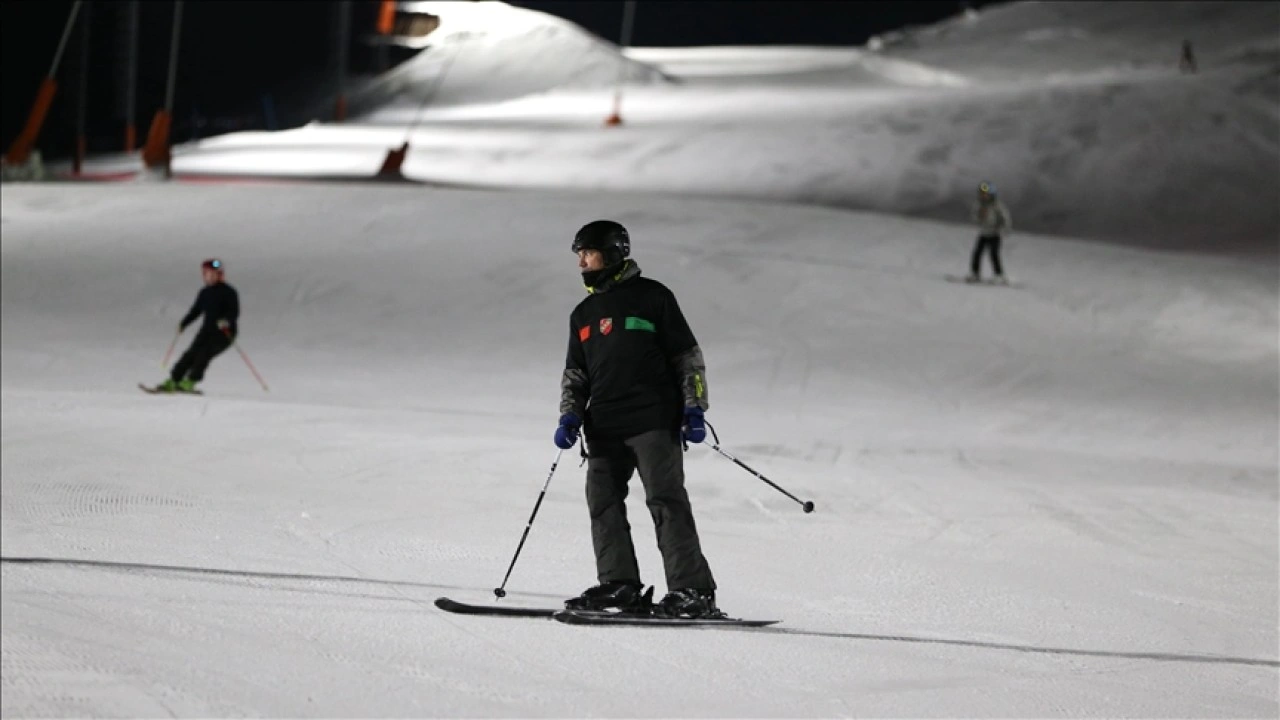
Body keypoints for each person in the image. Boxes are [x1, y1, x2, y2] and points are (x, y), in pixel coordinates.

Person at [554, 220, 721, 619]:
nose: (581, 262)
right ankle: (619, 585)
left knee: (665, 501)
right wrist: (570, 416)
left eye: (587, 252)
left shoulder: (653, 297)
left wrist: (694, 407)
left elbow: (687, 358)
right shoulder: (583, 314)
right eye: (579, 254)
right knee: (603, 503)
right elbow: (575, 374)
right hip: (604, 426)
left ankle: (692, 590)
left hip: (653, 419)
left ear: (612, 253)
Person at [156, 258, 239, 392]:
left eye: (213, 274)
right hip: (206, 331)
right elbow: (196, 311)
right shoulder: (205, 293)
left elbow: (234, 312)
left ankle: (190, 381)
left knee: (203, 354)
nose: (209, 277)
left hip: (224, 333)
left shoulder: (229, 292)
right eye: (206, 274)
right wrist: (184, 323)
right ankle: (174, 380)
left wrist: (226, 321)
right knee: (190, 354)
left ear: (220, 275)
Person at [967, 181, 1012, 284]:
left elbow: (1005, 218)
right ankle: (975, 273)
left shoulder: (997, 205)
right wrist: (980, 216)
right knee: (977, 253)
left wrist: (1004, 229)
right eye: (982, 194)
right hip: (984, 233)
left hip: (995, 234)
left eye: (985, 194)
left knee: (994, 254)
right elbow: (974, 218)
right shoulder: (979, 206)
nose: (983, 196)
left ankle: (999, 275)